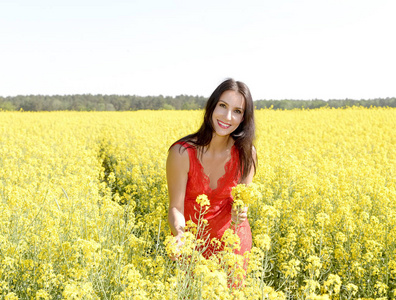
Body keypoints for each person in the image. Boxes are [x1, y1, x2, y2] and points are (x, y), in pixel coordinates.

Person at [166, 78, 257, 259]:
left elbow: (242, 202)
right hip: (191, 245)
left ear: (243, 118)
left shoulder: (247, 153)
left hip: (233, 248)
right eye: (223, 106)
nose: (227, 117)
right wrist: (180, 234)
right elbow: (176, 207)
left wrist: (242, 210)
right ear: (212, 106)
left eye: (237, 111)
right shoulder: (182, 153)